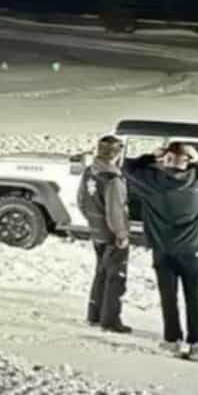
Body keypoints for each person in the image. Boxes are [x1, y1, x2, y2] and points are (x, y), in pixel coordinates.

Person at [123, 142, 198, 359]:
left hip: (163, 250)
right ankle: (196, 343)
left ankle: (172, 340)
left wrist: (152, 157)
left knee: (168, 296)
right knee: (193, 297)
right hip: (192, 251)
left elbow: (127, 167)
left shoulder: (151, 182)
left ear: (166, 160)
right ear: (187, 161)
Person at [78, 134, 132, 334]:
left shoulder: (90, 172)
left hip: (96, 230)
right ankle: (110, 319)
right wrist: (121, 233)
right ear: (117, 154)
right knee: (115, 277)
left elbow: (82, 200)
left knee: (100, 272)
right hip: (111, 234)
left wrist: (94, 222)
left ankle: (94, 313)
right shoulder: (112, 179)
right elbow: (115, 210)